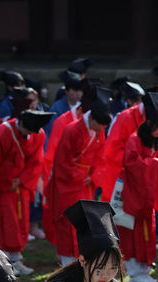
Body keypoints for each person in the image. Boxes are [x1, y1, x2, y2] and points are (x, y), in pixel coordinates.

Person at [0, 108, 53, 277]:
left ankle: (16, 260)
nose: (28, 134)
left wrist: (22, 180)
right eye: (27, 131)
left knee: (19, 224)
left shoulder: (38, 134)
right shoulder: (2, 132)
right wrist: (7, 182)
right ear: (21, 123)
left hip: (19, 188)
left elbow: (36, 161)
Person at [45, 86, 112, 263]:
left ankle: (83, 256)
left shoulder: (99, 130)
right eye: (98, 127)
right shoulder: (71, 130)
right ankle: (67, 260)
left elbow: (101, 156)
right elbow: (62, 163)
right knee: (68, 221)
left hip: (86, 185)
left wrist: (95, 176)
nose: (99, 131)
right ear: (91, 118)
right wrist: (83, 175)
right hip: (69, 184)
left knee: (86, 221)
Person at [119, 92, 158, 282]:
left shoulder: (157, 138)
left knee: (148, 232)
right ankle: (135, 272)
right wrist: (153, 163)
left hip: (148, 195)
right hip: (135, 193)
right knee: (133, 232)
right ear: (151, 123)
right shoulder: (135, 139)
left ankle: (145, 268)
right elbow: (130, 163)